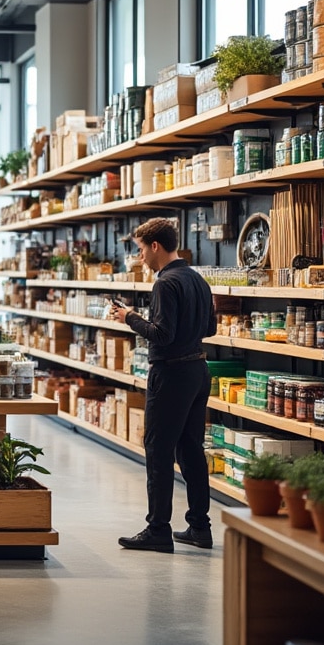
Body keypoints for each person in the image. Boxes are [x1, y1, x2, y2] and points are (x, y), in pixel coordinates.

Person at [109, 217, 215, 553]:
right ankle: (200, 527)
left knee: (158, 452)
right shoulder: (197, 279)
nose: (140, 257)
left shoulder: (165, 284)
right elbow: (209, 328)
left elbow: (163, 335)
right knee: (191, 450)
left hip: (170, 375)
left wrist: (130, 318)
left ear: (155, 246)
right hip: (198, 370)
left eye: (141, 249)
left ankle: (158, 530)